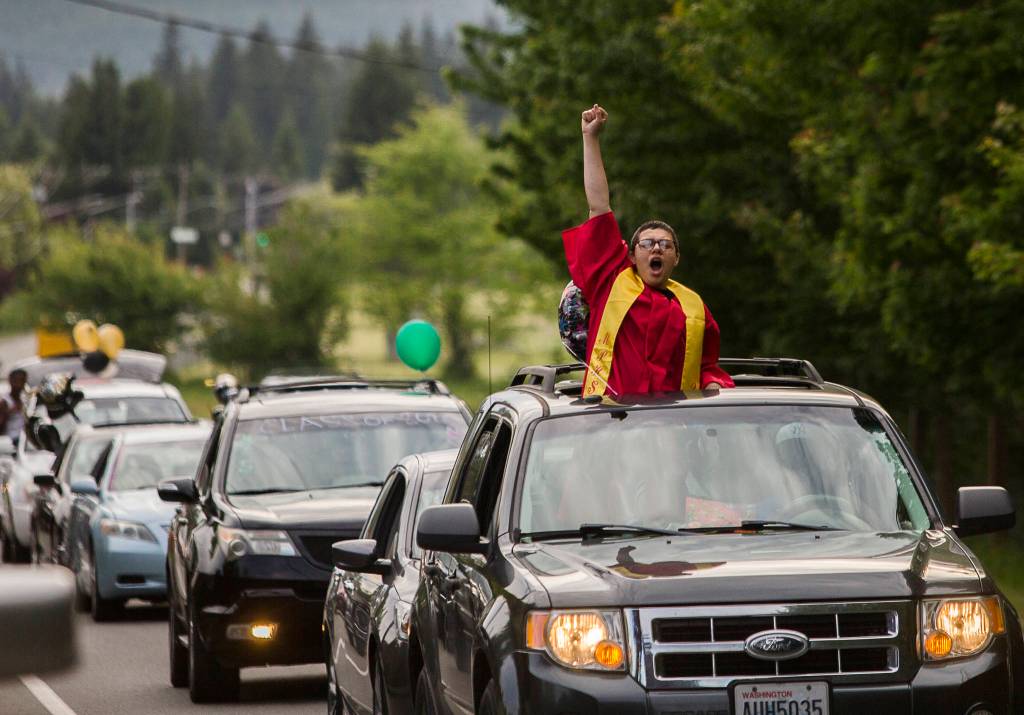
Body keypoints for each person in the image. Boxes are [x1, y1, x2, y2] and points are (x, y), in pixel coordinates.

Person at [562, 104, 734, 397]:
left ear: (676, 258)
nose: (656, 247)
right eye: (647, 243)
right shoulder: (611, 281)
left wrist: (713, 385)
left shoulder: (693, 307)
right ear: (631, 255)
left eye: (666, 245)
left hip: (672, 428)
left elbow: (706, 366)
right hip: (611, 419)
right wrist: (590, 139)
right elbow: (599, 206)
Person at [0, 368, 28, 445]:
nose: (19, 385)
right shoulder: (5, 402)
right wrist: (7, 413)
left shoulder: (25, 399)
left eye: (22, 381)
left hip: (24, 440)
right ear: (10, 381)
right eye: (16, 381)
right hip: (10, 441)